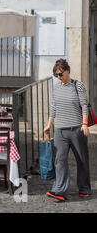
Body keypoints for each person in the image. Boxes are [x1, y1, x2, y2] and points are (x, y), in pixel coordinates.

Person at [43, 58, 92, 202]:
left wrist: (84, 124)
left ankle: (84, 188)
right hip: (60, 130)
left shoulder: (78, 86)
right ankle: (60, 190)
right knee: (60, 160)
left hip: (77, 129)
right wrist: (49, 124)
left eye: (60, 74)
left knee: (82, 160)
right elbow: (54, 108)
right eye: (56, 75)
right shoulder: (56, 88)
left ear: (68, 71)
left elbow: (84, 105)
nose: (59, 77)